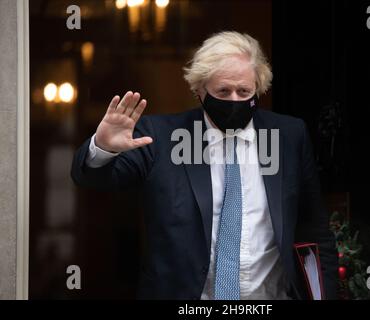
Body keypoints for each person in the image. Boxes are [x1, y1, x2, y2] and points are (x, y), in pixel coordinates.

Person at [71, 31, 337, 300]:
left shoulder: (289, 136)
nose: (234, 100)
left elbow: (314, 230)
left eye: (244, 91)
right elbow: (95, 180)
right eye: (223, 91)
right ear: (199, 90)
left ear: (258, 88)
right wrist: (104, 147)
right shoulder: (161, 136)